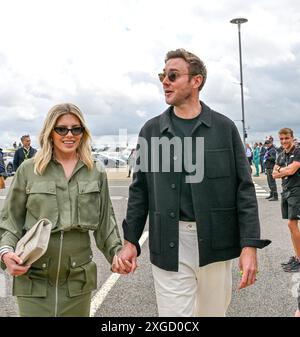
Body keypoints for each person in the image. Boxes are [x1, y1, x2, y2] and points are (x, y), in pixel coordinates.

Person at [114, 48, 271, 317]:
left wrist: (249, 246)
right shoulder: (151, 132)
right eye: (163, 75)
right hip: (169, 242)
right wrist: (131, 242)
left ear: (196, 81)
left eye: (173, 75)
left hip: (216, 243)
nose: (165, 81)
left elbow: (244, 190)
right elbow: (139, 191)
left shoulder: (224, 129)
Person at [0, 103, 128, 317]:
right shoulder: (29, 170)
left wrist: (117, 254)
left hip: (77, 281)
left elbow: (106, 223)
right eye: (62, 129)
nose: (69, 134)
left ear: (83, 133)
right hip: (34, 279)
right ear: (50, 132)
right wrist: (5, 254)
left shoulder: (95, 171)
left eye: (76, 129)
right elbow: (10, 221)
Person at [272, 128, 300, 273]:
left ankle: (299, 259)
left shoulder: (298, 151)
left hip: (297, 191)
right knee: (291, 226)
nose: (284, 141)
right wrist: (284, 170)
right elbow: (273, 174)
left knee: (291, 223)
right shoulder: (281, 155)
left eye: (286, 138)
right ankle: (297, 256)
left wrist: (282, 170)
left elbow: (291, 170)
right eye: (281, 139)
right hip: (286, 191)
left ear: (292, 137)